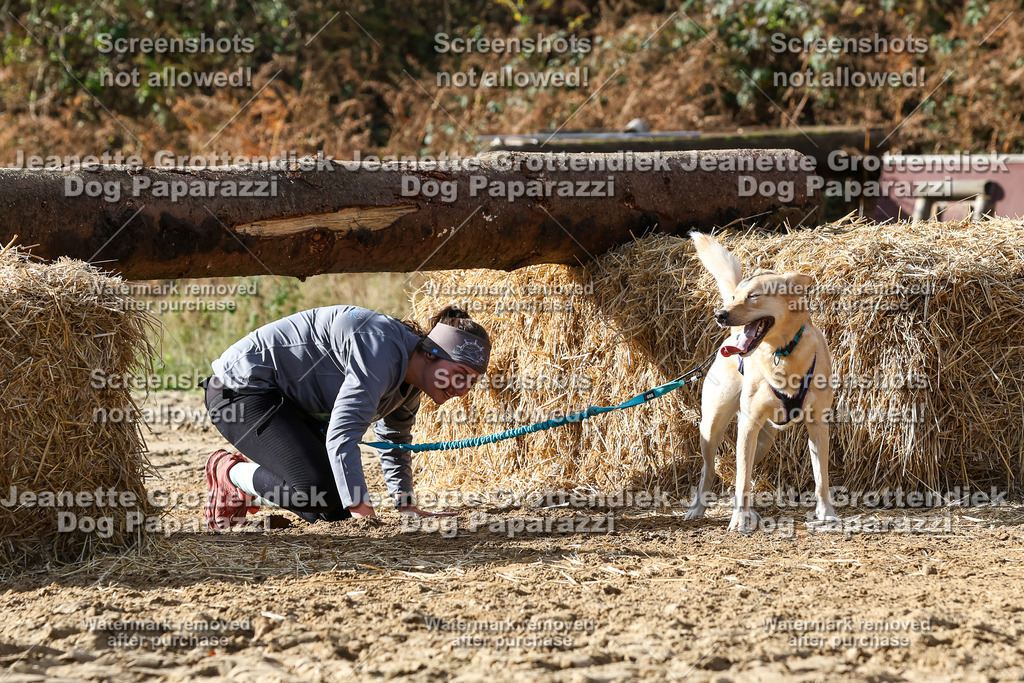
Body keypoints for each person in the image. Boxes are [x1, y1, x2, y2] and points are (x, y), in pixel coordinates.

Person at [201, 304, 490, 530]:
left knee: (333, 511)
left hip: (287, 405)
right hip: (239, 391)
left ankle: (245, 487)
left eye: (472, 382)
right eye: (459, 375)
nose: (463, 390)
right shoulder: (381, 349)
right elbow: (342, 437)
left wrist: (405, 504)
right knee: (322, 492)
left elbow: (394, 439)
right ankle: (228, 473)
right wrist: (365, 514)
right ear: (430, 354)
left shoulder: (415, 381)